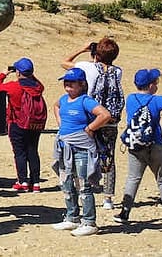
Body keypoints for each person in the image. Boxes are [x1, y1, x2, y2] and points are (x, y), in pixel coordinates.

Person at [114, 68, 162, 225]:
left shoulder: (131, 99)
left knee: (133, 178)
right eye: (156, 82)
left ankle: (124, 212)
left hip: (135, 146)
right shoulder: (156, 100)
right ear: (151, 85)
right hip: (155, 145)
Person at [51, 67, 111, 237]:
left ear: (82, 84)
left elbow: (104, 115)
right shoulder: (63, 99)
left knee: (83, 185)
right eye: (66, 82)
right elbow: (56, 106)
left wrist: (90, 128)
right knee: (66, 183)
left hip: (82, 148)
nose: (67, 85)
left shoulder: (86, 101)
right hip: (65, 148)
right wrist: (60, 123)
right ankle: (72, 217)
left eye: (72, 83)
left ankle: (89, 222)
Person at [0, 57, 45, 193]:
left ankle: (23, 181)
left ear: (18, 72)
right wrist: (29, 74)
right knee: (33, 151)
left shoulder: (14, 86)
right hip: (35, 124)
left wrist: (3, 74)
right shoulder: (37, 86)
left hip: (17, 123)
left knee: (19, 152)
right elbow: (37, 82)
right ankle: (36, 183)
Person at [88, 38, 124, 211]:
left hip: (93, 118)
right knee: (109, 158)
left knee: (87, 154)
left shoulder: (90, 68)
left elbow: (65, 63)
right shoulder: (118, 71)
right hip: (111, 121)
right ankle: (108, 198)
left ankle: (87, 189)